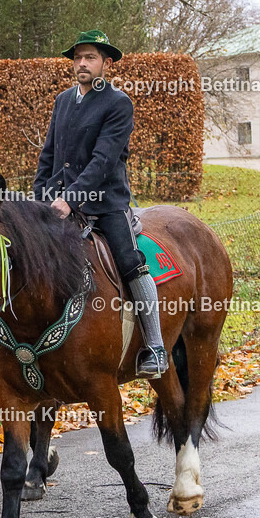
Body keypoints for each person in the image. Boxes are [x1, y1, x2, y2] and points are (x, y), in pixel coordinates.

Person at [33, 30, 167, 377]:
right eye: (78, 57)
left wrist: (71, 199)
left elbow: (103, 161)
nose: (82, 63)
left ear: (106, 64)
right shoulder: (63, 100)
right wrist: (39, 198)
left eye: (90, 57)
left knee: (129, 261)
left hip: (106, 203)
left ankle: (155, 347)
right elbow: (48, 156)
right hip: (58, 202)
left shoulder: (118, 103)